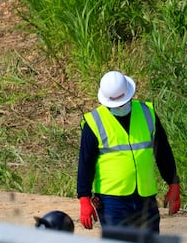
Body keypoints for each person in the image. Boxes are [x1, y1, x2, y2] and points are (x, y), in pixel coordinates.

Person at [77, 70, 181, 232]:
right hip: (112, 200)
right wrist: (84, 199)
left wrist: (173, 183)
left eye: (123, 102)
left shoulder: (147, 113)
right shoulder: (94, 122)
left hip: (145, 197)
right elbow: (85, 163)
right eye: (116, 104)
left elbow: (163, 152)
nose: (120, 106)